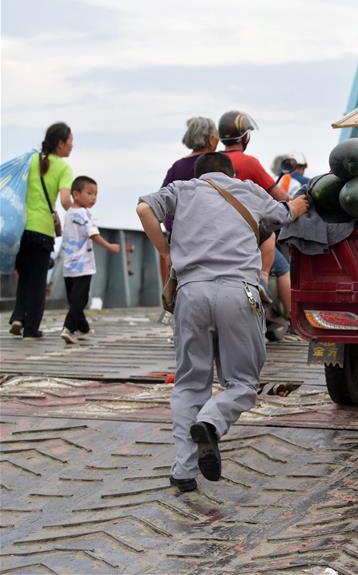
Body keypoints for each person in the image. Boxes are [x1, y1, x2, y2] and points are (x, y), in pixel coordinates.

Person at [136, 152, 309, 493]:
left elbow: (144, 209)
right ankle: (211, 423)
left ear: (200, 174)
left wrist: (165, 250)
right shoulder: (248, 190)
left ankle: (184, 471)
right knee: (242, 383)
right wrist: (301, 204)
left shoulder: (183, 189)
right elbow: (286, 214)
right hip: (239, 292)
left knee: (189, 384)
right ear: (230, 173)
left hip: (191, 293)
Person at [9, 123, 75, 339]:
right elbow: (65, 200)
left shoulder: (31, 160)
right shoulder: (64, 168)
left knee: (24, 276)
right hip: (43, 230)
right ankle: (31, 328)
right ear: (60, 143)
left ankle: (18, 317)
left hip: (21, 227)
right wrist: (79, 210)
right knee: (38, 281)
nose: (72, 146)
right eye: (70, 142)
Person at [59, 176, 121, 343]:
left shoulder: (69, 214)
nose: (93, 197)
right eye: (89, 193)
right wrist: (110, 246)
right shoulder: (85, 214)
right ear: (76, 194)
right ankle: (69, 328)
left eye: (95, 194)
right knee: (81, 299)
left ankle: (83, 328)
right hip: (84, 265)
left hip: (68, 265)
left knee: (74, 299)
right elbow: (93, 234)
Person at [160, 117, 220, 233]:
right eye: (216, 134)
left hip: (182, 234)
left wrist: (172, 229)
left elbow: (163, 203)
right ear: (210, 138)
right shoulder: (216, 163)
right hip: (210, 233)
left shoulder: (177, 167)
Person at [219, 110, 289, 201]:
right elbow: (280, 196)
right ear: (245, 137)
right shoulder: (249, 162)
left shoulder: (211, 161)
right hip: (242, 214)